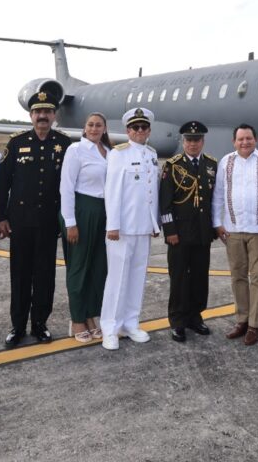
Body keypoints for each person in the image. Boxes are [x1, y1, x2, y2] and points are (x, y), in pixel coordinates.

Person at [0, 90, 73, 347]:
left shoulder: (64, 143)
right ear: (31, 115)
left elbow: (71, 183)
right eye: (38, 112)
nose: (42, 116)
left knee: (44, 275)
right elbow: (2, 182)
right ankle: (17, 326)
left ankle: (40, 323)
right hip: (21, 221)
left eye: (47, 112)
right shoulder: (16, 142)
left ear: (53, 115)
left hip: (49, 222)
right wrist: (1, 217)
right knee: (20, 275)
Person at [213, 124, 258, 346]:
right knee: (238, 277)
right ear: (234, 141)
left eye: (249, 138)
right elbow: (218, 194)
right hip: (233, 230)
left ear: (256, 139)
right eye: (241, 139)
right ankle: (241, 320)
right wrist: (217, 223)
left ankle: (254, 324)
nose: (245, 142)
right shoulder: (226, 162)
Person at [100, 107, 161, 351]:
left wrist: (154, 223)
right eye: (135, 127)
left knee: (137, 277)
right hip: (122, 228)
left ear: (148, 130)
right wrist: (112, 225)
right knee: (117, 279)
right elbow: (112, 191)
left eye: (144, 127)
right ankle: (110, 328)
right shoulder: (118, 154)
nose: (139, 131)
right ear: (127, 130)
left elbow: (152, 193)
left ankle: (131, 323)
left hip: (144, 227)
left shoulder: (152, 154)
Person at [160, 120, 217, 343]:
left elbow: (214, 200)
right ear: (183, 142)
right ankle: (177, 321)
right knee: (179, 278)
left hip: (203, 232)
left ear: (202, 141)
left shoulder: (211, 164)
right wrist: (170, 230)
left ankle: (195, 316)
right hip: (180, 234)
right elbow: (165, 203)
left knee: (200, 278)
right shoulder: (172, 166)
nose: (193, 144)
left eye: (197, 140)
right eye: (189, 140)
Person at [60, 112, 112, 343]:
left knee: (97, 268)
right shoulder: (75, 150)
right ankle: (77, 319)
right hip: (82, 210)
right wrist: (70, 222)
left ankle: (91, 315)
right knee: (79, 268)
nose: (94, 128)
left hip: (103, 213)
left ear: (104, 128)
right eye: (90, 124)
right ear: (84, 127)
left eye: (98, 125)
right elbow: (66, 187)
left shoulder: (109, 152)